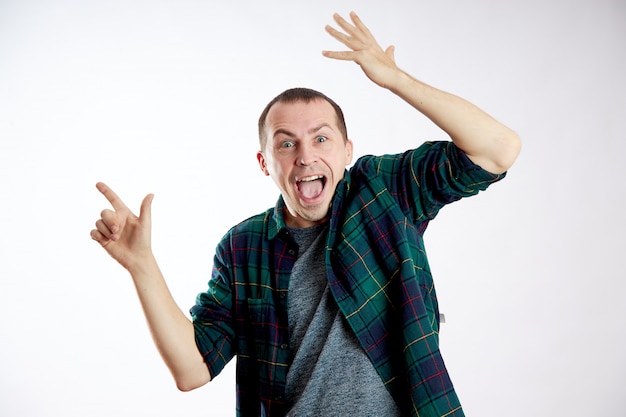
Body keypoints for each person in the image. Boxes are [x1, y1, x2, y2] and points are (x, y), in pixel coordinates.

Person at [91, 11, 520, 417]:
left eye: (320, 139)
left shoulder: (384, 192)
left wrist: (395, 80)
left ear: (346, 151)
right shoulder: (243, 246)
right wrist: (142, 266)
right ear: (265, 163)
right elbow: (192, 370)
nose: (305, 156)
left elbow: (498, 150)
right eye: (286, 143)